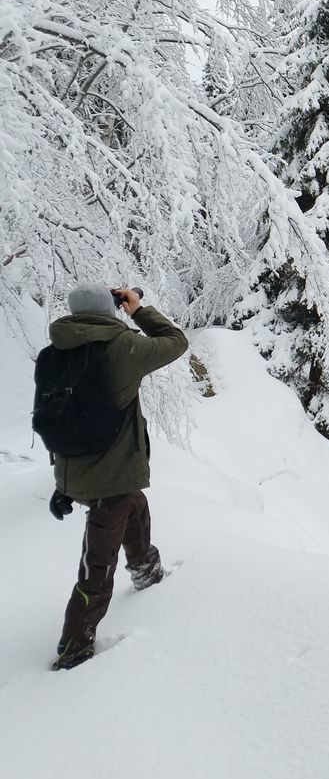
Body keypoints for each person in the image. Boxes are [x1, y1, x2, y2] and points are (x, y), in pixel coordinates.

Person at [47, 284, 188, 670]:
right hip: (108, 480)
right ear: (110, 310)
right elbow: (176, 341)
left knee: (135, 504)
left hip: (76, 471)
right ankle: (72, 650)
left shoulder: (58, 350)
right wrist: (138, 310)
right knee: (97, 570)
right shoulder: (123, 348)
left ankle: (146, 569)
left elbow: (55, 419)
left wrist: (62, 485)